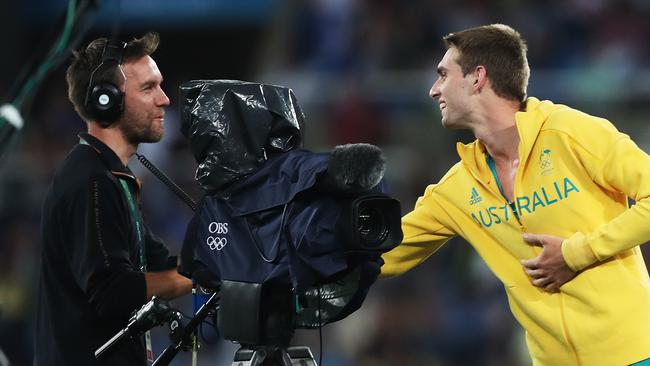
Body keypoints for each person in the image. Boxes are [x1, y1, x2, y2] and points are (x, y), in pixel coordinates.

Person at [380, 24, 650, 366]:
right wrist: (305, 264)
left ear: (477, 77)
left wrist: (576, 254)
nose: (434, 90)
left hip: (637, 355)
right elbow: (384, 253)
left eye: (443, 75)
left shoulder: (571, 133)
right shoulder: (458, 187)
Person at [34, 33, 192, 365]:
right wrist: (198, 276)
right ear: (106, 101)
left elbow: (161, 265)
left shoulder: (112, 177)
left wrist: (224, 259)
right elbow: (112, 291)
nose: (164, 100)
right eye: (148, 88)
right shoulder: (90, 180)